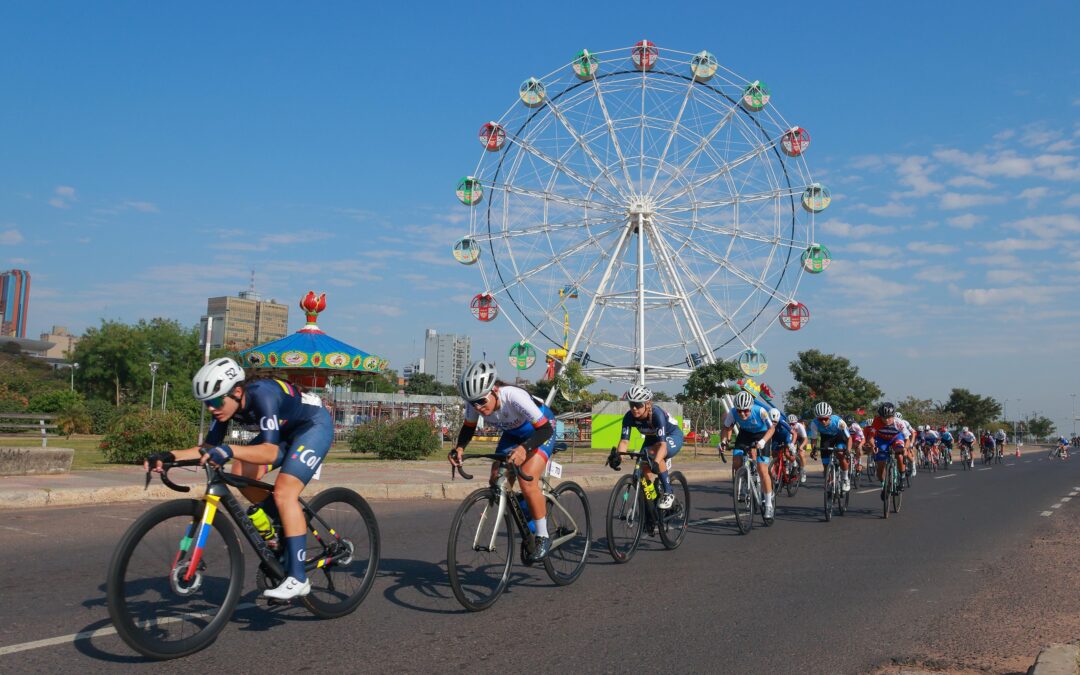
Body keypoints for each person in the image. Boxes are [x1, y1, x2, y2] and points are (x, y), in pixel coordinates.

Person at [144, 358, 333, 601]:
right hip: (285, 432)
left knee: (285, 492)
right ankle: (283, 520)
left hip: (312, 426)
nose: (211, 408)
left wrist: (229, 449)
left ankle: (298, 578)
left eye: (215, 401)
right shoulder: (224, 408)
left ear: (237, 391)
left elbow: (270, 452)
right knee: (240, 472)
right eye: (206, 403)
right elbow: (208, 448)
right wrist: (169, 456)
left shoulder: (263, 395)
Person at [448, 361, 556, 561]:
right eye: (473, 403)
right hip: (513, 434)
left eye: (482, 401)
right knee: (496, 480)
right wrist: (459, 448)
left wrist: (524, 449)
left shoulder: (513, 396)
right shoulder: (475, 403)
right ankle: (529, 512)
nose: (478, 407)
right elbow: (469, 427)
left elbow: (545, 429)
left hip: (541, 431)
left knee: (527, 480)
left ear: (495, 390)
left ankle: (543, 536)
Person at [613, 384, 684, 509]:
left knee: (654, 454)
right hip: (652, 438)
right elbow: (624, 442)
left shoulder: (656, 414)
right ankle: (653, 499)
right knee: (643, 467)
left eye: (638, 405)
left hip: (672, 435)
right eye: (631, 404)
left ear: (647, 404)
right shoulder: (629, 417)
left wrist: (656, 462)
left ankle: (668, 492)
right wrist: (618, 457)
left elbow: (662, 445)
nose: (634, 408)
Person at [720, 390, 777, 519]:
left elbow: (772, 428)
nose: (742, 413)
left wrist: (763, 441)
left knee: (762, 469)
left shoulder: (760, 411)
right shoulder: (733, 412)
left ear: (751, 408)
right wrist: (723, 441)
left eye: (746, 411)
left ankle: (768, 504)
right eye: (740, 411)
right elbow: (726, 427)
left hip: (762, 434)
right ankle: (743, 482)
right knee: (736, 460)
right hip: (745, 434)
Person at [808, 402, 851, 492]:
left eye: (825, 419)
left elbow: (849, 438)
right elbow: (814, 439)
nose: (823, 421)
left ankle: (845, 478)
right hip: (826, 438)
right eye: (820, 419)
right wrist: (814, 450)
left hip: (839, 436)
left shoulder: (839, 422)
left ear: (830, 417)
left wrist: (848, 450)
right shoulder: (814, 423)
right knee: (825, 465)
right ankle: (830, 482)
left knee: (840, 454)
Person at [864, 402, 908, 491]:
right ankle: (884, 485)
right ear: (880, 416)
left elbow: (907, 438)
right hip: (882, 440)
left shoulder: (899, 422)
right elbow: (871, 437)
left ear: (893, 416)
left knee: (899, 454)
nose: (887, 420)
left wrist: (905, 449)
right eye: (884, 417)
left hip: (896, 438)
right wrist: (873, 446)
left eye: (889, 417)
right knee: (880, 467)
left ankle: (902, 476)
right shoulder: (876, 421)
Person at [789, 413, 810, 484]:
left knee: (801, 453)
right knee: (788, 451)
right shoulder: (787, 427)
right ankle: (789, 467)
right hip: (793, 438)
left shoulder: (800, 426)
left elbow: (806, 439)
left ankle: (803, 471)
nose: (791, 426)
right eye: (790, 424)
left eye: (793, 424)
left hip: (801, 438)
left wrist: (801, 447)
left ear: (796, 423)